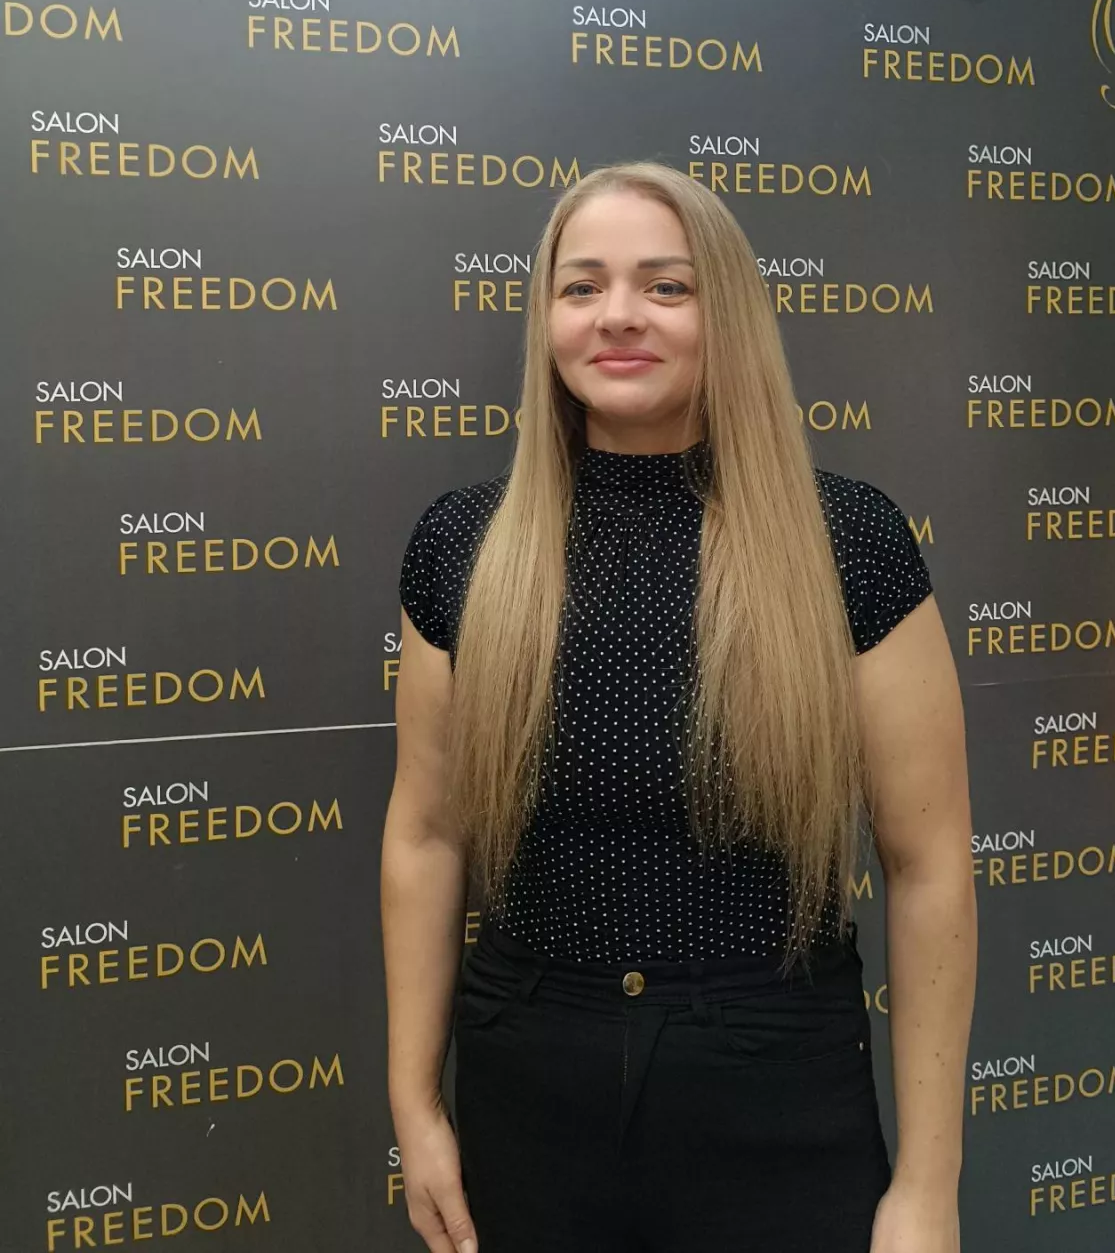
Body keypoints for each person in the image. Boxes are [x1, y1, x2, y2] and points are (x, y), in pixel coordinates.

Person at [382, 160, 976, 1253]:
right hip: (528, 1085)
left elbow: (929, 865)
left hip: (778, 1086)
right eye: (581, 286)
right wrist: (414, 1108)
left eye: (666, 285)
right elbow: (425, 837)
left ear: (727, 313)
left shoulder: (850, 544)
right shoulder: (461, 545)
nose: (618, 315)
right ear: (547, 321)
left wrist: (927, 1186)